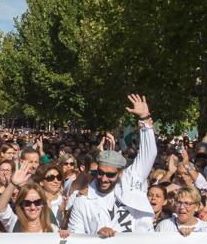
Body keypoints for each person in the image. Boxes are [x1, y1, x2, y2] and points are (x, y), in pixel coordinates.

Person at [66, 95, 157, 236]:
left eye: (110, 175)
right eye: (100, 173)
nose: (103, 178)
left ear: (121, 173)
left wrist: (144, 118)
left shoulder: (132, 179)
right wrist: (97, 235)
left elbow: (149, 153)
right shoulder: (83, 199)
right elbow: (75, 237)